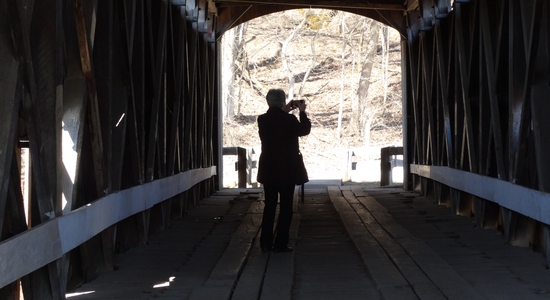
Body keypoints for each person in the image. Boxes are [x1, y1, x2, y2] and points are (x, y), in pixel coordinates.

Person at [256, 89, 311, 253]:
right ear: (281, 102)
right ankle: (280, 243)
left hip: (268, 169)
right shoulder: (289, 120)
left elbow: (276, 117)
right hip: (287, 169)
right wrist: (302, 112)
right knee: (286, 208)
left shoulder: (262, 120)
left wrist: (285, 107)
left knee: (269, 206)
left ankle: (265, 243)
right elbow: (304, 130)